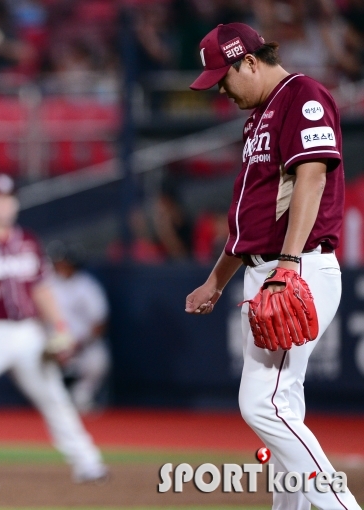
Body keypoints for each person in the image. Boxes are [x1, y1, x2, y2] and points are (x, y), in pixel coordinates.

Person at [186, 23, 360, 510]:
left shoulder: (302, 94)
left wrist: (286, 263)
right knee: (284, 405)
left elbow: (312, 178)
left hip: (296, 265)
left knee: (261, 403)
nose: (221, 88)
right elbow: (252, 219)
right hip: (267, 268)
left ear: (250, 61)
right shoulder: (257, 118)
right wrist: (216, 282)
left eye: (225, 77)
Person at [0, 173, 108, 483]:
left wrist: (59, 327)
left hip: (27, 331)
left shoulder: (27, 240)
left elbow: (42, 291)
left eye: (10, 198)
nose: (6, 204)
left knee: (54, 396)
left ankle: (87, 462)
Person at [47, 241, 110, 414]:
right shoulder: (47, 283)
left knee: (98, 359)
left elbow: (100, 322)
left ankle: (82, 395)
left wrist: (79, 344)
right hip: (53, 341)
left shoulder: (87, 286)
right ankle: (52, 400)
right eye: (58, 261)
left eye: (64, 261)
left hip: (81, 343)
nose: (60, 264)